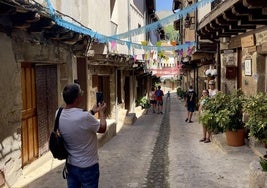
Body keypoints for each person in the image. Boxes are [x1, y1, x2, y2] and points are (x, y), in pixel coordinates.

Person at [59, 83, 107, 188]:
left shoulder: (58, 113)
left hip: (71, 165)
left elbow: (76, 120)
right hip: (88, 166)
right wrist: (102, 112)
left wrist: (93, 111)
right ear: (77, 98)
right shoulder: (84, 117)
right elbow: (102, 128)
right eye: (80, 93)